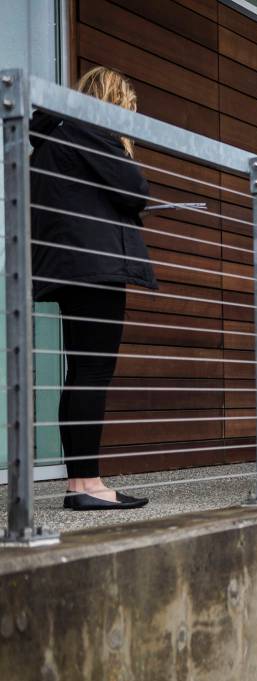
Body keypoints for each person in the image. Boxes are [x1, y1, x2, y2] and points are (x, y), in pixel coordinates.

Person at [30, 66, 156, 511]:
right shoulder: (90, 130)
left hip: (71, 266)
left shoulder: (50, 141)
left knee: (80, 372)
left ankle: (79, 484)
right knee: (93, 372)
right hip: (96, 267)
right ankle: (89, 482)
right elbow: (135, 188)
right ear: (113, 101)